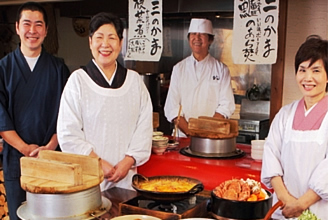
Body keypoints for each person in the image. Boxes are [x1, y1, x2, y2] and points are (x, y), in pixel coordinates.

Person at [57, 12, 153, 191]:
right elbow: (68, 133)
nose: (105, 44)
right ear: (90, 42)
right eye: (99, 37)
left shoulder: (134, 82)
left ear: (121, 42)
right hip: (89, 181)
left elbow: (144, 126)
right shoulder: (77, 81)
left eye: (112, 38)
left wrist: (129, 160)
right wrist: (98, 163)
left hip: (127, 181)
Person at [0, 2, 70, 219]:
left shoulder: (59, 68)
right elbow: (1, 117)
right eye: (27, 24)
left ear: (46, 30)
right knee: (19, 216)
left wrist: (50, 146)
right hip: (16, 159)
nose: (33, 30)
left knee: (54, 216)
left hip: (52, 156)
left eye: (38, 24)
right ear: (17, 27)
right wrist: (24, 148)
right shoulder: (3, 68)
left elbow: (68, 115)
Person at [261, 35, 328, 219]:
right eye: (302, 70)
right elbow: (271, 154)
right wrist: (286, 200)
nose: (308, 78)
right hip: (284, 209)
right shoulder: (285, 114)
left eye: (316, 70)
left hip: (320, 212)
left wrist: (300, 205)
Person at [164, 18, 235, 137]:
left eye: (202, 34)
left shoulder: (221, 69)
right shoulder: (179, 68)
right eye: (193, 34)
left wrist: (206, 131)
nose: (197, 38)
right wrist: (190, 132)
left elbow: (226, 105)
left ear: (210, 39)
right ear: (188, 39)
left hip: (211, 137)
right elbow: (172, 107)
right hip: (183, 137)